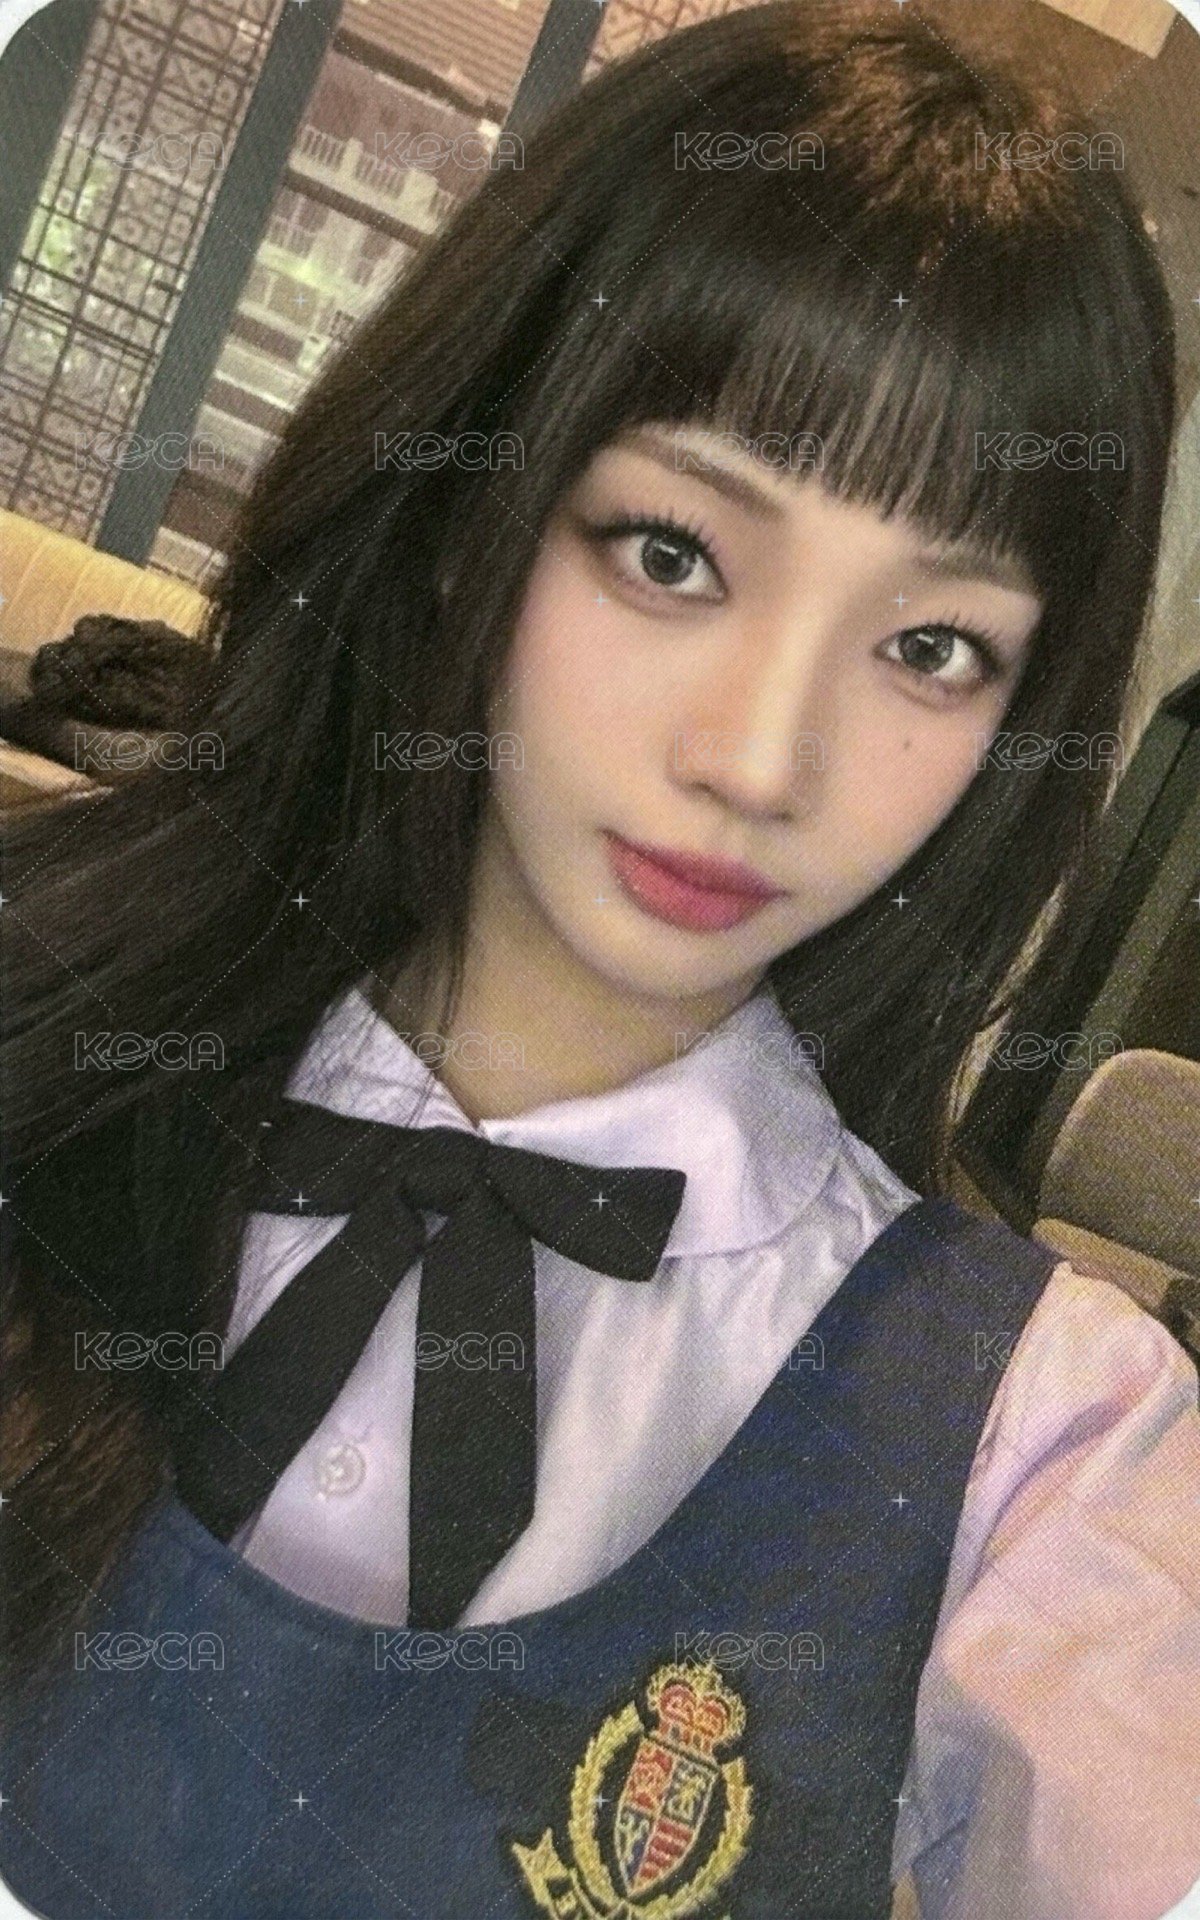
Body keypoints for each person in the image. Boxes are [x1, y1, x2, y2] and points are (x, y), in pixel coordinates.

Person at [1, 3, 1198, 1916]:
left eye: (931, 648)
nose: (759, 759)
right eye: (671, 553)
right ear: (467, 499)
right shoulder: (48, 1018)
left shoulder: (1040, 1447)